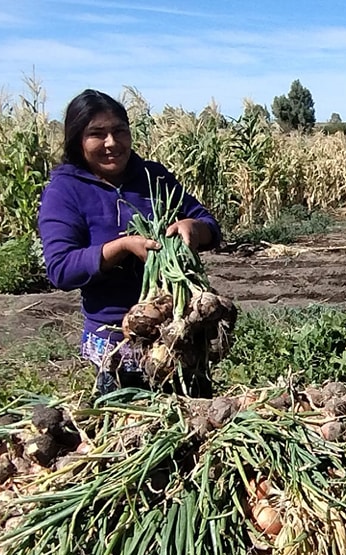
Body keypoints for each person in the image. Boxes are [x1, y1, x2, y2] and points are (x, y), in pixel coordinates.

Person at [38, 89, 222, 396]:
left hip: (180, 332)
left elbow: (210, 226)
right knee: (132, 432)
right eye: (97, 134)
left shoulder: (153, 176)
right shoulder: (64, 190)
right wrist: (121, 248)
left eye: (119, 131)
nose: (111, 143)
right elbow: (61, 268)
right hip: (120, 341)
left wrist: (195, 228)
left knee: (198, 427)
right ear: (77, 139)